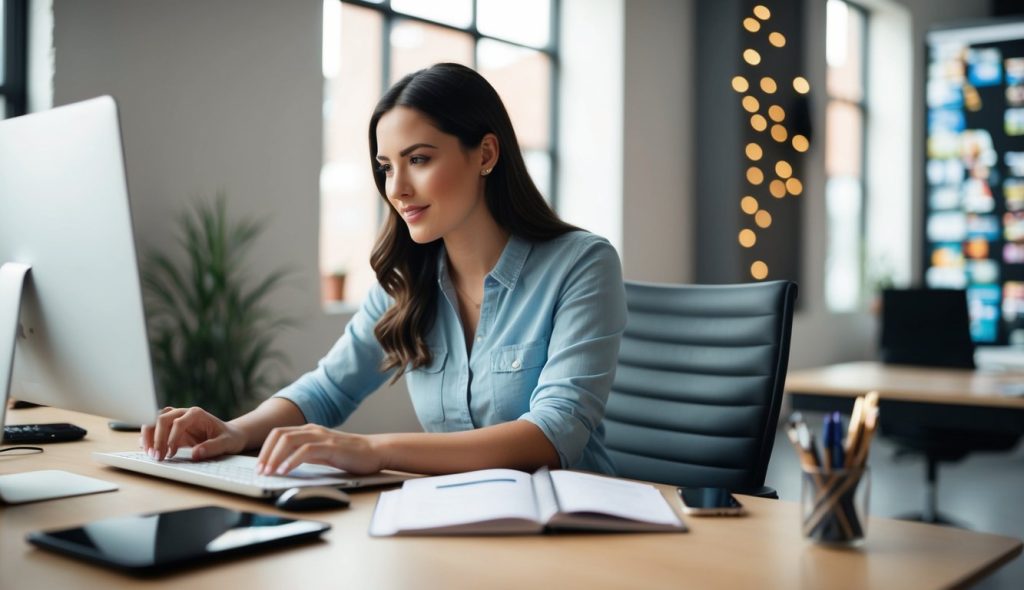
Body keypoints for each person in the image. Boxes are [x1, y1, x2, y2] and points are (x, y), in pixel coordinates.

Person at [142, 63, 626, 477]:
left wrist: (373, 449)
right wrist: (234, 430)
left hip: (573, 528)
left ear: (486, 154)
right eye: (386, 167)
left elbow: (553, 432)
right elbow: (328, 389)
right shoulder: (406, 280)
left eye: (417, 159)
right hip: (458, 522)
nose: (397, 188)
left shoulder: (582, 264)